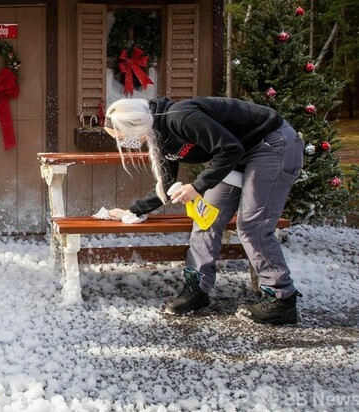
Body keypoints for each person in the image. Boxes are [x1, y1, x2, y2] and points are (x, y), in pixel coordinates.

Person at [104, 96, 303, 325]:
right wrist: (134, 211)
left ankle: (281, 299)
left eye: (122, 137)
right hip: (237, 153)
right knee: (206, 218)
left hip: (270, 144)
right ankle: (197, 289)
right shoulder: (158, 134)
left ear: (135, 125)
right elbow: (166, 184)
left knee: (252, 225)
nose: (125, 143)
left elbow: (229, 148)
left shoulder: (181, 118)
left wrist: (197, 187)